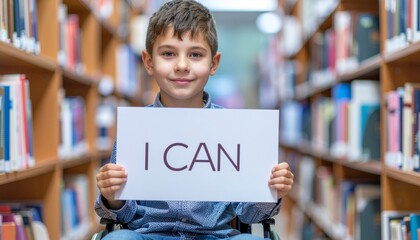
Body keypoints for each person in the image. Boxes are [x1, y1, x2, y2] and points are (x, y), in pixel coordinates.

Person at [95, 0, 294, 239]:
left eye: (195, 55)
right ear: (149, 62)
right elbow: (122, 216)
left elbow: (249, 216)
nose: (181, 65)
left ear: (214, 63)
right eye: (168, 53)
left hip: (215, 235)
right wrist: (112, 197)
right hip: (149, 235)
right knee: (118, 238)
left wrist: (271, 190)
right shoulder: (136, 128)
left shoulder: (234, 130)